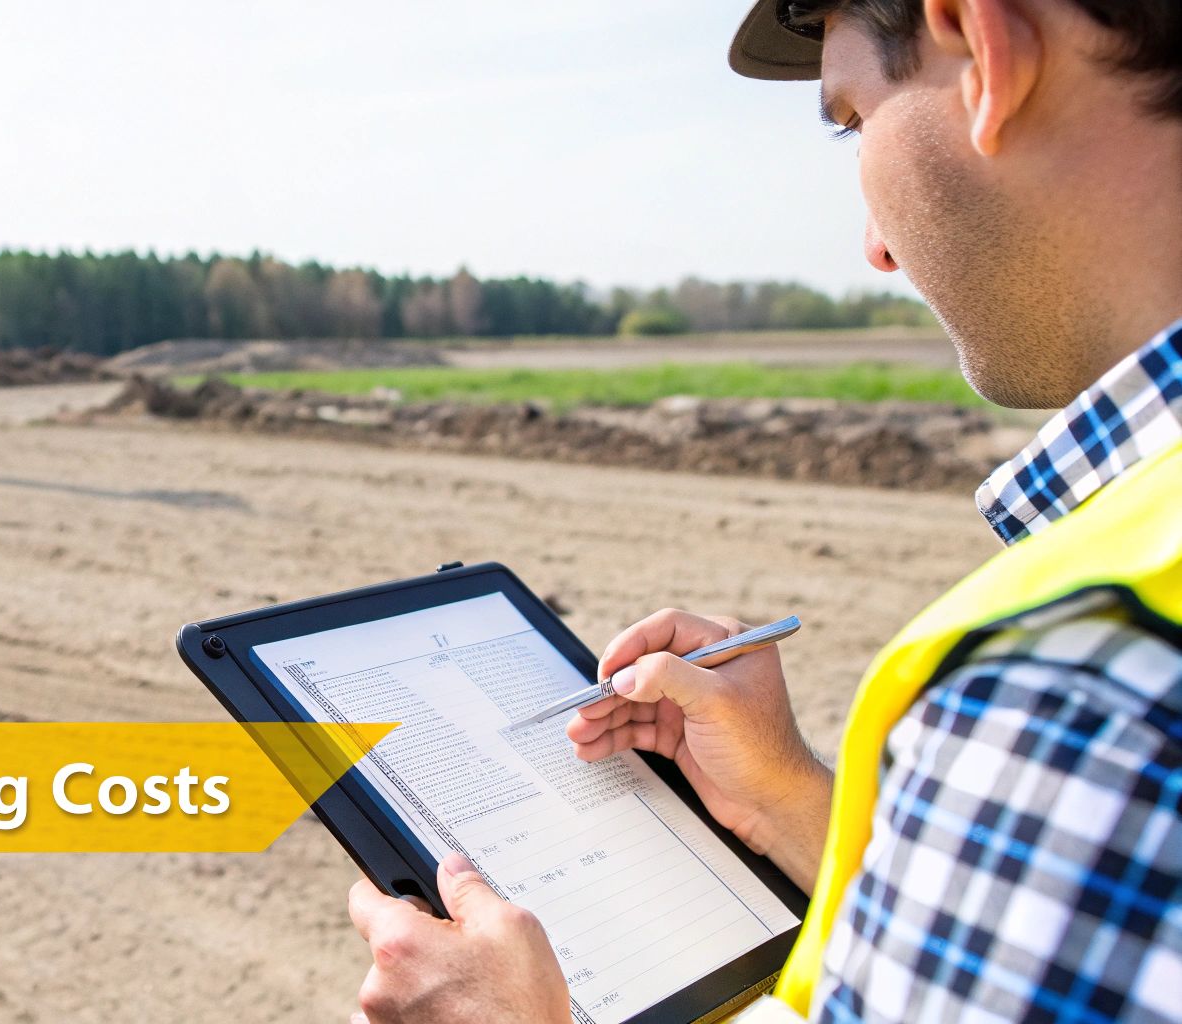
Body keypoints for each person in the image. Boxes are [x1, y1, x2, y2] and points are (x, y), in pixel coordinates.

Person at [344, 1, 1182, 1020]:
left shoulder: (1072, 699)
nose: (874, 249)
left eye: (854, 118)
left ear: (983, 43)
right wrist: (785, 800)